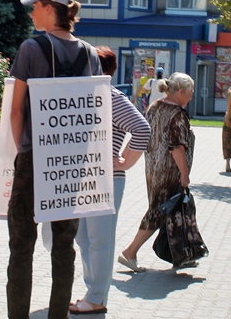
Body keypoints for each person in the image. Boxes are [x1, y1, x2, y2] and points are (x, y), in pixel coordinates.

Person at [7, 0, 102, 319]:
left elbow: (16, 110)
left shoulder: (31, 48)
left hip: (35, 158)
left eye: (35, 6)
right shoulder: (90, 53)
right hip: (71, 163)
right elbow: (93, 113)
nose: (31, 11)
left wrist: (22, 151)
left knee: (21, 245)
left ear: (49, 9)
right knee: (64, 247)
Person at [70, 47, 150, 315]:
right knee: (84, 238)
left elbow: (141, 128)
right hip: (83, 178)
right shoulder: (84, 97)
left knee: (100, 239)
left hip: (106, 179)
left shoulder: (110, 97)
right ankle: (92, 291)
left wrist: (126, 160)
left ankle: (97, 297)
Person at [118, 72, 195, 272]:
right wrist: (184, 174)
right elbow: (176, 147)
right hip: (169, 171)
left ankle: (182, 254)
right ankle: (130, 251)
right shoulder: (177, 113)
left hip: (153, 167)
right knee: (159, 211)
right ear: (180, 91)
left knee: (172, 210)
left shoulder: (154, 106)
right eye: (190, 92)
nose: (191, 96)